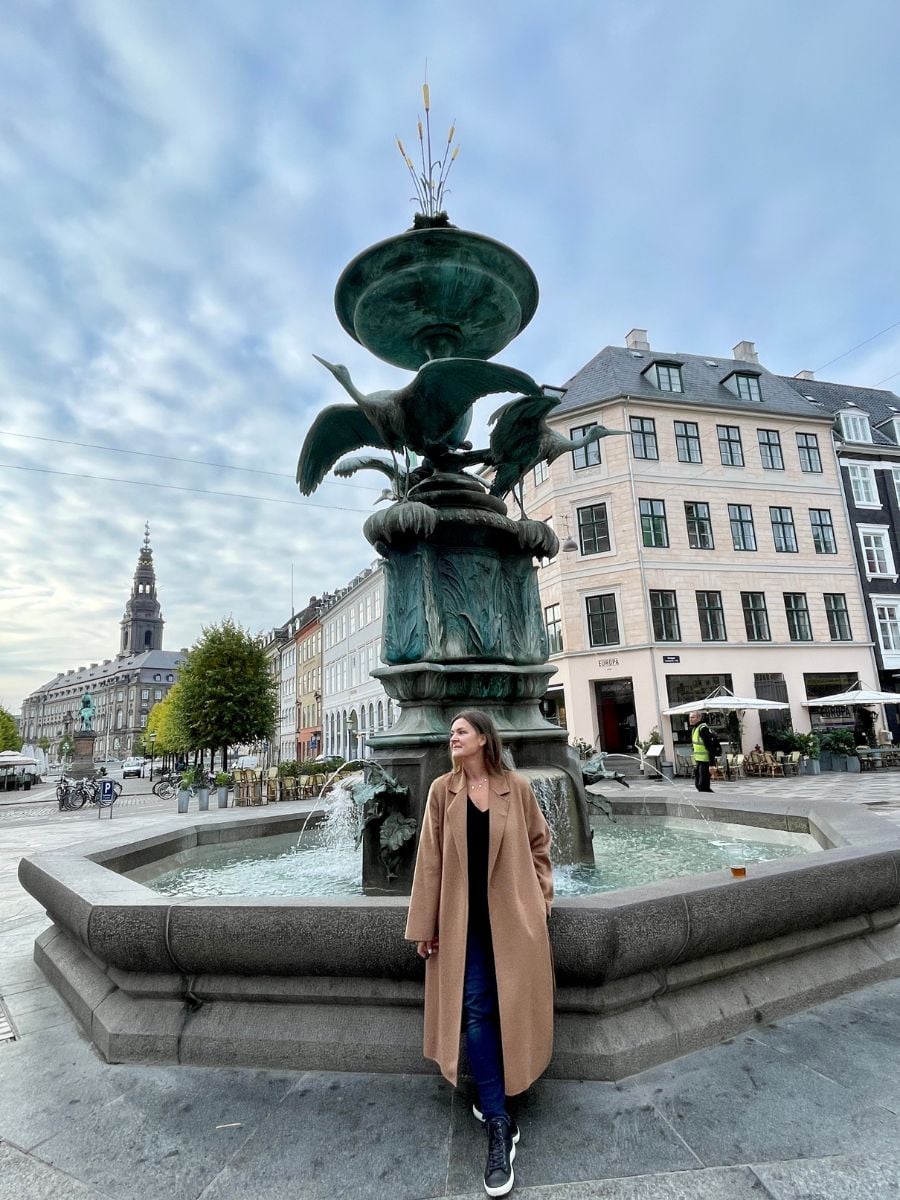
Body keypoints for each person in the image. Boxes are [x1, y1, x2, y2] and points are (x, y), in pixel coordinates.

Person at [405, 709, 554, 1198]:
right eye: (451, 732)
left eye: (461, 731)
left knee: (507, 1006)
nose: (453, 737)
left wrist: (540, 901)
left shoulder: (518, 788)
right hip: (462, 923)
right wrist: (425, 922)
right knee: (474, 1009)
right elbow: (429, 859)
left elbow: (539, 845)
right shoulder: (440, 792)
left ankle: (500, 1097)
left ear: (484, 739)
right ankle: (498, 1122)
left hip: (512, 921)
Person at [689, 709, 717, 792]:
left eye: (693, 717)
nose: (690, 719)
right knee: (698, 785)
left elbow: (710, 747)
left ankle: (712, 800)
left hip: (705, 762)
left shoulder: (703, 729)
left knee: (703, 785)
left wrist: (712, 764)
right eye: (690, 717)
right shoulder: (695, 729)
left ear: (699, 718)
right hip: (699, 761)